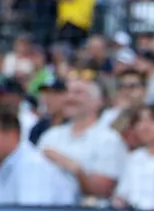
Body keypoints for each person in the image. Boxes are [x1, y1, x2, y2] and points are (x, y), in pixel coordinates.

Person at [37, 74, 131, 202]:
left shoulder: (109, 140)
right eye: (67, 92)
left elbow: (102, 190)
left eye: (78, 93)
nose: (70, 98)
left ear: (97, 101)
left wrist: (75, 169)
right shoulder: (50, 135)